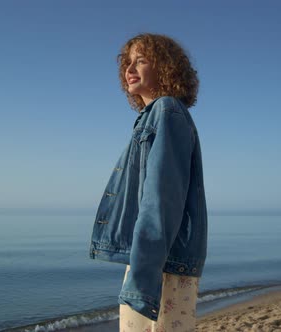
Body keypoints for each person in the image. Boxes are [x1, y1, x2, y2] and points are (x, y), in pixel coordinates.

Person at [89, 33, 208, 332]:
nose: (130, 69)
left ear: (166, 67)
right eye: (127, 63)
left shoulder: (166, 112)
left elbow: (161, 198)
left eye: (140, 61)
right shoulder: (152, 116)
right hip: (154, 256)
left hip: (159, 260)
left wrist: (142, 274)